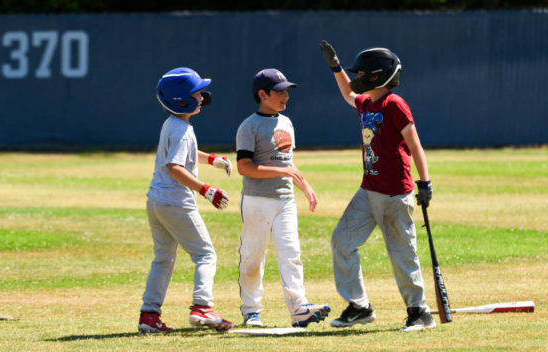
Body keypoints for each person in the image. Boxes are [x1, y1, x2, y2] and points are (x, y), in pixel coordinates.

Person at [318, 41, 436, 332]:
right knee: (342, 243)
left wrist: (425, 182)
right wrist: (335, 67)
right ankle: (359, 307)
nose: (356, 77)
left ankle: (419, 312)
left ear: (376, 76)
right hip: (368, 190)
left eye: (361, 73)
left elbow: (415, 144)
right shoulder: (366, 102)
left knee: (402, 253)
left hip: (395, 193)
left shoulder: (393, 103)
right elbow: (349, 92)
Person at [138, 67, 234, 333]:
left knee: (163, 259)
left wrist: (212, 159)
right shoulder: (181, 128)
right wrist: (206, 189)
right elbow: (175, 167)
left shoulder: (174, 124)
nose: (202, 97)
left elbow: (186, 154)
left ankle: (149, 316)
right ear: (182, 99)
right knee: (206, 254)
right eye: (197, 92)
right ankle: (202, 308)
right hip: (175, 202)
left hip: (156, 201)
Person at [235, 68, 330, 328]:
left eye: (287, 90)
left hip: (285, 200)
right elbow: (244, 167)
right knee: (253, 256)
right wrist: (283, 171)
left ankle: (299, 308)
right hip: (257, 200)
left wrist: (305, 185)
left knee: (291, 253)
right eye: (280, 91)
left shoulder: (286, 122)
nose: (286, 96)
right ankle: (251, 311)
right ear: (262, 95)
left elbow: (289, 162)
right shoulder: (248, 126)